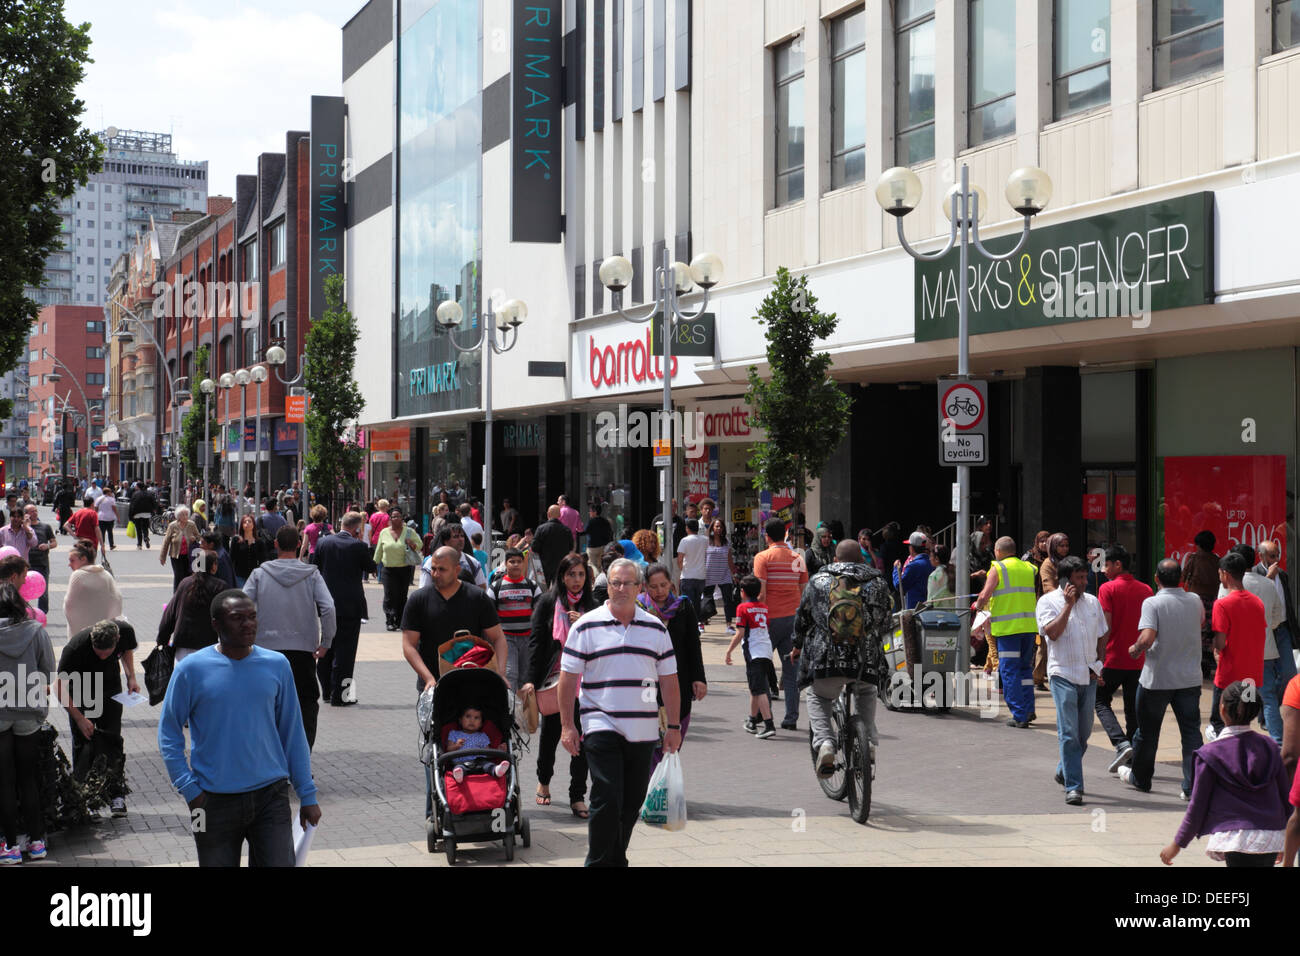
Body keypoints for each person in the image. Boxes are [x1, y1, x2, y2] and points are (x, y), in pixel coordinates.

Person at [158, 589, 321, 867]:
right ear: (216, 624)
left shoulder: (277, 665)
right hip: (211, 803)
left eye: (252, 617)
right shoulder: (190, 670)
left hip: (271, 797)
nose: (248, 624)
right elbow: (168, 734)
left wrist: (307, 794)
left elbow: (293, 734)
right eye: (238, 618)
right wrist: (190, 790)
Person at [557, 558, 679, 866]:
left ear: (640, 588)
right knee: (606, 794)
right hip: (600, 722)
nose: (621, 588)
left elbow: (669, 681)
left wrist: (674, 727)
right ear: (606, 586)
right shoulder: (586, 625)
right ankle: (597, 862)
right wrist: (567, 726)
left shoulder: (655, 628)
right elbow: (568, 679)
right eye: (615, 583)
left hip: (643, 729)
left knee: (632, 800)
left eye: (627, 583)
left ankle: (616, 858)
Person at [1160, 680, 1292, 867]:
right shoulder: (1270, 747)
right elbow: (1285, 796)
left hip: (1234, 839)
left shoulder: (1210, 754)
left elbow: (1197, 806)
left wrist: (1177, 844)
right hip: (1269, 836)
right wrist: (1284, 836)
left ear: (1222, 709)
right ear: (1255, 712)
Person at [792, 539, 892, 776]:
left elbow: (802, 618)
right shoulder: (878, 582)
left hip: (826, 659)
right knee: (866, 690)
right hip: (864, 659)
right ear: (861, 559)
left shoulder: (818, 581)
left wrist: (797, 645)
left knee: (817, 696)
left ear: (834, 560)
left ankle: (825, 742)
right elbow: (887, 621)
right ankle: (867, 739)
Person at [243, 526, 338, 751]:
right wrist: (326, 643)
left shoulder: (259, 574)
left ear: (275, 544)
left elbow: (242, 605)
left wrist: (246, 642)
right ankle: (301, 758)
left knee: (267, 704)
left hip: (266, 651)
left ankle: (271, 758)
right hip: (303, 651)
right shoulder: (312, 574)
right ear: (298, 545)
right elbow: (329, 608)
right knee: (306, 703)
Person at [1117, 559, 1205, 799]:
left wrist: (1134, 649)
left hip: (1158, 679)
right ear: (1181, 579)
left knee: (1147, 733)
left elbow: (1147, 637)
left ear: (1156, 579)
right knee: (1191, 732)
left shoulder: (1153, 603)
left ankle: (1141, 779)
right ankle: (1192, 786)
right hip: (1189, 679)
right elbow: (1200, 623)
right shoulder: (1195, 600)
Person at [522, 552, 598, 814]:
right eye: (571, 575)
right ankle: (543, 780)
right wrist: (530, 680)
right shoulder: (547, 602)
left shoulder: (594, 606)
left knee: (582, 740)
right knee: (551, 736)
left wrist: (585, 626)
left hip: (585, 684)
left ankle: (578, 795)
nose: (576, 580)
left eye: (580, 575)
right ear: (562, 577)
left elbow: (602, 644)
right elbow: (536, 643)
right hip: (554, 682)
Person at [1037, 555, 1108, 805]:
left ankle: (1063, 769)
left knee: (1083, 733)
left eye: (1085, 577)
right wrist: (1067, 606)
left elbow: (1102, 635)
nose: (1085, 582)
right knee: (1068, 733)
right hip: (1062, 674)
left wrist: (1098, 665)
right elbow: (1053, 634)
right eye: (1079, 578)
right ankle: (1074, 786)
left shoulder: (1092, 602)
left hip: (1087, 675)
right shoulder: (1047, 602)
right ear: (1066, 581)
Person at [55, 619, 138, 818]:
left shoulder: (125, 631)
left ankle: (116, 794)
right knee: (84, 746)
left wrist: (131, 677)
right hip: (82, 692)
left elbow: (126, 651)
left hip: (110, 690)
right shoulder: (75, 647)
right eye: (97, 651)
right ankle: (82, 798)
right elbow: (59, 687)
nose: (101, 656)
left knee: (112, 742)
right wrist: (79, 718)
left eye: (106, 653)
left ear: (116, 640)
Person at [0, 583, 54, 863]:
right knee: (28, 778)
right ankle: (36, 842)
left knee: (5, 781)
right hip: (29, 712)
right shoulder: (35, 631)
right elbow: (48, 671)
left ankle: (8, 847)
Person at [639, 563, 707, 772]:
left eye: (663, 585)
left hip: (679, 681)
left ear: (671, 584)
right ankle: (647, 786)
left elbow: (693, 645)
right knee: (648, 740)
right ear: (644, 587)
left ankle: (662, 783)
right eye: (653, 586)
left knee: (674, 735)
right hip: (647, 684)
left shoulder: (684, 607)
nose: (659, 591)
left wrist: (699, 678)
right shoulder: (639, 609)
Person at [1217, 544, 1286, 745]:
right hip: (1263, 649)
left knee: (1232, 697)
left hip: (1238, 652)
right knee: (1265, 696)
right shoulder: (1267, 584)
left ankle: (1233, 737)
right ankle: (1276, 739)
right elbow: (1277, 617)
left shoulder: (1227, 585)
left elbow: (1223, 623)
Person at [971, 537, 1040, 728]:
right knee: (1025, 669)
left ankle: (1019, 715)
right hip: (1028, 627)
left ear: (998, 551)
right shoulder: (1029, 568)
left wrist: (978, 605)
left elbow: (985, 595)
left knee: (1008, 671)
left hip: (1008, 629)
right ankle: (1028, 710)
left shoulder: (999, 568)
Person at [1095, 544, 1153, 771]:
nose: (1103, 570)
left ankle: (1120, 743)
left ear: (1118, 564)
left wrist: (1097, 657)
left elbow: (1105, 626)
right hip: (1138, 658)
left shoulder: (1107, 589)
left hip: (1113, 657)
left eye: (1106, 565)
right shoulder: (1146, 590)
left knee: (1099, 700)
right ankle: (1133, 755)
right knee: (1132, 708)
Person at [313, 512, 374, 707]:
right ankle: (342, 695)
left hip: (326, 603)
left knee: (327, 645)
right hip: (350, 606)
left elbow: (315, 568)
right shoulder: (358, 546)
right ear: (357, 528)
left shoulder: (324, 543)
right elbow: (371, 567)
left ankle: (327, 691)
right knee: (346, 652)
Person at [1207, 551, 1268, 742]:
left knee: (1220, 722)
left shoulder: (1222, 604)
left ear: (1225, 573)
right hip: (1251, 676)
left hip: (1228, 677)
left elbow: (1221, 642)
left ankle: (1225, 758)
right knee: (1245, 720)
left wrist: (1213, 647)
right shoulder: (1257, 602)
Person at [753, 517, 808, 730]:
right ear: (785, 534)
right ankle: (791, 718)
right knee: (791, 671)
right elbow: (804, 592)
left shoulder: (762, 557)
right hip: (793, 620)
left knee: (763, 668)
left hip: (769, 619)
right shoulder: (798, 558)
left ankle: (764, 716)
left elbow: (761, 592)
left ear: (766, 536)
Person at [725, 574, 777, 738]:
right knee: (755, 688)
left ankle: (769, 724)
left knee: (759, 689)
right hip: (766, 651)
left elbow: (740, 633)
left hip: (754, 652)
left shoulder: (742, 608)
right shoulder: (764, 607)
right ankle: (752, 720)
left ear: (742, 592)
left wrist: (728, 651)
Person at [157, 549, 226, 663]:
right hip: (208, 645)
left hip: (183, 644)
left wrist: (162, 639)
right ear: (213, 566)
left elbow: (170, 613)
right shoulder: (220, 586)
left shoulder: (185, 583)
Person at [488, 548, 541, 694]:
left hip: (527, 639)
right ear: (506, 564)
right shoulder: (495, 587)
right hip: (505, 639)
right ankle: (509, 709)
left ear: (523, 564)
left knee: (525, 676)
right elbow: (489, 614)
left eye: (519, 562)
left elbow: (540, 612)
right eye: (512, 562)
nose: (516, 565)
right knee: (510, 674)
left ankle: (522, 712)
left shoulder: (532, 586)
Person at [373, 508, 423, 631]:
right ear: (390, 519)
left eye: (398, 516)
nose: (396, 518)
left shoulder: (409, 531)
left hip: (404, 569)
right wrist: (374, 565)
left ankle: (400, 620)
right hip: (388, 569)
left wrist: (412, 544)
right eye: (393, 516)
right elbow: (379, 550)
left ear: (402, 518)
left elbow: (420, 545)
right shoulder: (384, 532)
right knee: (389, 595)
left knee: (402, 596)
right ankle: (390, 620)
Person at [63, 539, 123, 639]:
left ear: (83, 559)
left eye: (72, 560)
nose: (69, 564)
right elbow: (117, 599)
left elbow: (69, 605)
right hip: (104, 631)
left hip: (81, 632)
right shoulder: (105, 574)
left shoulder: (78, 575)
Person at [446, 706, 510, 783]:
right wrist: (456, 746)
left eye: (476, 718)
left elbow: (488, 752)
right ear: (460, 720)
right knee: (458, 768)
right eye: (468, 716)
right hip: (461, 761)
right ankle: (459, 776)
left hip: (480, 761)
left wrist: (498, 750)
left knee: (488, 765)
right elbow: (448, 749)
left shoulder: (482, 736)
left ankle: (496, 770)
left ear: (480, 724)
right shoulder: (454, 733)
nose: (472, 720)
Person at [704, 518, 740, 632]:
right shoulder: (706, 541)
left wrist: (734, 574)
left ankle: (729, 624)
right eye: (716, 526)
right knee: (706, 600)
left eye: (720, 526)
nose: (719, 529)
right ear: (712, 528)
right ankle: (702, 623)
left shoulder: (726, 542)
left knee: (727, 600)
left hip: (724, 575)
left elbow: (729, 559)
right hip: (709, 575)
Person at [675, 518, 709, 625]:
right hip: (701, 575)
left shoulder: (684, 541)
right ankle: (698, 622)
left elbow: (680, 559)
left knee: (688, 602)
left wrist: (682, 569)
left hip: (687, 575)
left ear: (687, 528)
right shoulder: (705, 540)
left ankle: (690, 623)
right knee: (698, 600)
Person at [22, 505, 55, 615]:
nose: (34, 513)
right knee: (24, 591)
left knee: (43, 592)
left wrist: (48, 546)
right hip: (26, 564)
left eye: (35, 511)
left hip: (42, 564)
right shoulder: (23, 529)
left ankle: (42, 613)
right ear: (26, 514)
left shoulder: (45, 527)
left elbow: (54, 542)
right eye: (31, 511)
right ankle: (24, 613)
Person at [159, 505, 201, 591]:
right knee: (178, 576)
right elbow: (166, 541)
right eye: (183, 515)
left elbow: (199, 537)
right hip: (176, 556)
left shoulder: (191, 524)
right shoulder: (172, 526)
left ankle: (186, 595)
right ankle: (176, 595)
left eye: (186, 514)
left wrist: (195, 538)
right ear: (178, 516)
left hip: (189, 556)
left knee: (188, 576)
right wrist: (162, 557)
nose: (185, 516)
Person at [532, 505, 573, 586]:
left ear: (548, 514)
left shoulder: (541, 529)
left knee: (543, 589)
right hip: (561, 565)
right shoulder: (566, 530)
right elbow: (570, 547)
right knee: (559, 590)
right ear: (559, 515)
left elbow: (534, 547)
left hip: (544, 565)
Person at [892, 531, 933, 611]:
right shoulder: (932, 562)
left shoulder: (913, 566)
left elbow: (899, 585)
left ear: (911, 548)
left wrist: (896, 570)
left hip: (915, 611)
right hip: (929, 609)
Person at [230, 514, 272, 588]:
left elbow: (263, 559)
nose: (247, 523)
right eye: (244, 522)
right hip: (239, 576)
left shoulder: (259, 542)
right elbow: (232, 558)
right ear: (242, 526)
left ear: (253, 525)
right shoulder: (236, 540)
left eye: (249, 521)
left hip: (254, 576)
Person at [582, 503, 614, 572]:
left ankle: (595, 579)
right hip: (603, 546)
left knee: (592, 564)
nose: (589, 513)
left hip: (592, 547)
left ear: (595, 512)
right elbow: (610, 533)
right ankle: (600, 577)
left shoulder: (591, 522)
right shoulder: (605, 521)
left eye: (590, 511)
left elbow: (585, 532)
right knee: (600, 565)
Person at [926, 543, 956, 610]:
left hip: (939, 616)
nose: (929, 559)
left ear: (936, 559)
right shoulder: (955, 572)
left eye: (931, 556)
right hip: (955, 616)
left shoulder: (934, 576)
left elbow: (930, 602)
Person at [129, 482, 156, 548]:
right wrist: (153, 511)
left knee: (138, 529)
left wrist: (130, 515)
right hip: (147, 513)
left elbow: (132, 505)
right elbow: (154, 503)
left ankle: (139, 544)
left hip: (137, 514)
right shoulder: (149, 494)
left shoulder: (135, 494)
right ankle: (146, 537)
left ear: (138, 487)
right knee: (145, 527)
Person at [95, 485, 119, 552]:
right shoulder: (112, 499)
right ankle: (111, 545)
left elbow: (96, 508)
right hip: (110, 518)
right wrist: (118, 517)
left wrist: (95, 516)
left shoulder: (98, 499)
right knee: (110, 532)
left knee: (102, 532)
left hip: (101, 517)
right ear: (107, 492)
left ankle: (102, 545)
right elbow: (114, 509)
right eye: (110, 492)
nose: (111, 493)